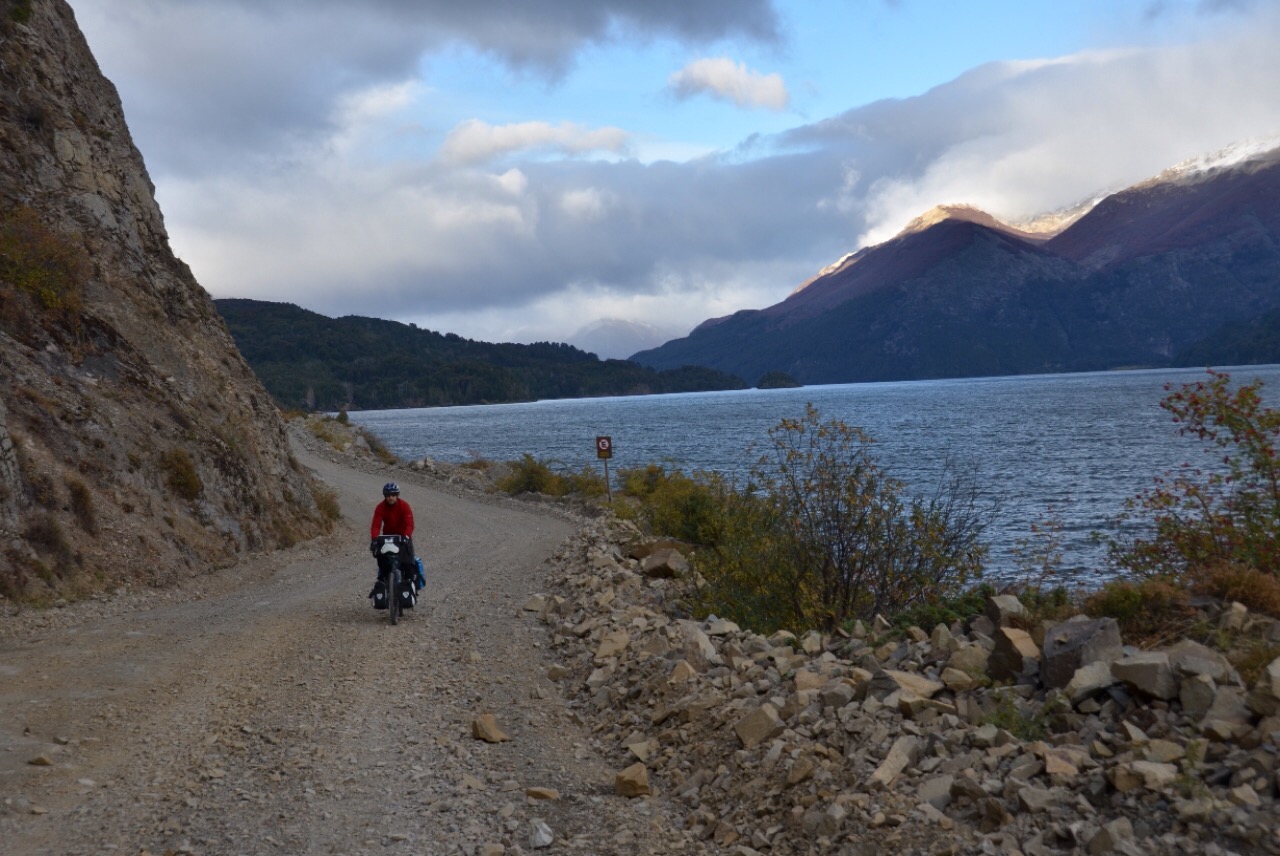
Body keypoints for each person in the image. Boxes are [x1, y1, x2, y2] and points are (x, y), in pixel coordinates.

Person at [369, 482, 415, 599]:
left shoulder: (404, 506)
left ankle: (409, 584)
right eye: (388, 495)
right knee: (381, 557)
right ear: (385, 496)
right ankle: (384, 580)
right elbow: (376, 525)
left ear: (397, 495)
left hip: (402, 536)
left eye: (393, 495)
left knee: (407, 561)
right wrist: (374, 539)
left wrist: (406, 536)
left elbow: (409, 524)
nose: (391, 497)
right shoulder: (380, 507)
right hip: (388, 537)